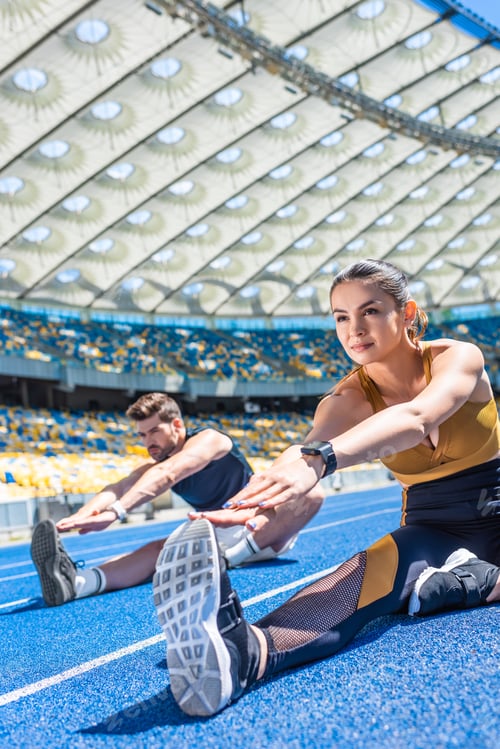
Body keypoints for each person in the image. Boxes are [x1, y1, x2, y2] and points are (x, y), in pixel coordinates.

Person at [152, 258, 500, 717]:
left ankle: (473, 583)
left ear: (408, 312)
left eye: (370, 311)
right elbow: (307, 447)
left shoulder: (458, 357)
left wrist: (324, 460)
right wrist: (257, 498)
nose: (354, 329)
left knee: (450, 586)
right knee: (366, 573)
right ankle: (245, 652)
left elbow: (416, 419)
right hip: (433, 527)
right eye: (341, 317)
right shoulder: (348, 397)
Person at [30, 392, 323, 607]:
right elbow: (118, 487)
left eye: (154, 431)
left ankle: (231, 558)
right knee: (159, 550)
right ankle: (77, 582)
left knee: (310, 489)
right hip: (215, 532)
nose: (148, 442)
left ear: (178, 426)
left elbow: (170, 473)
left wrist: (116, 513)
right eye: (142, 435)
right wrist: (84, 515)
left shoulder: (211, 440)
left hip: (263, 524)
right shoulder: (158, 462)